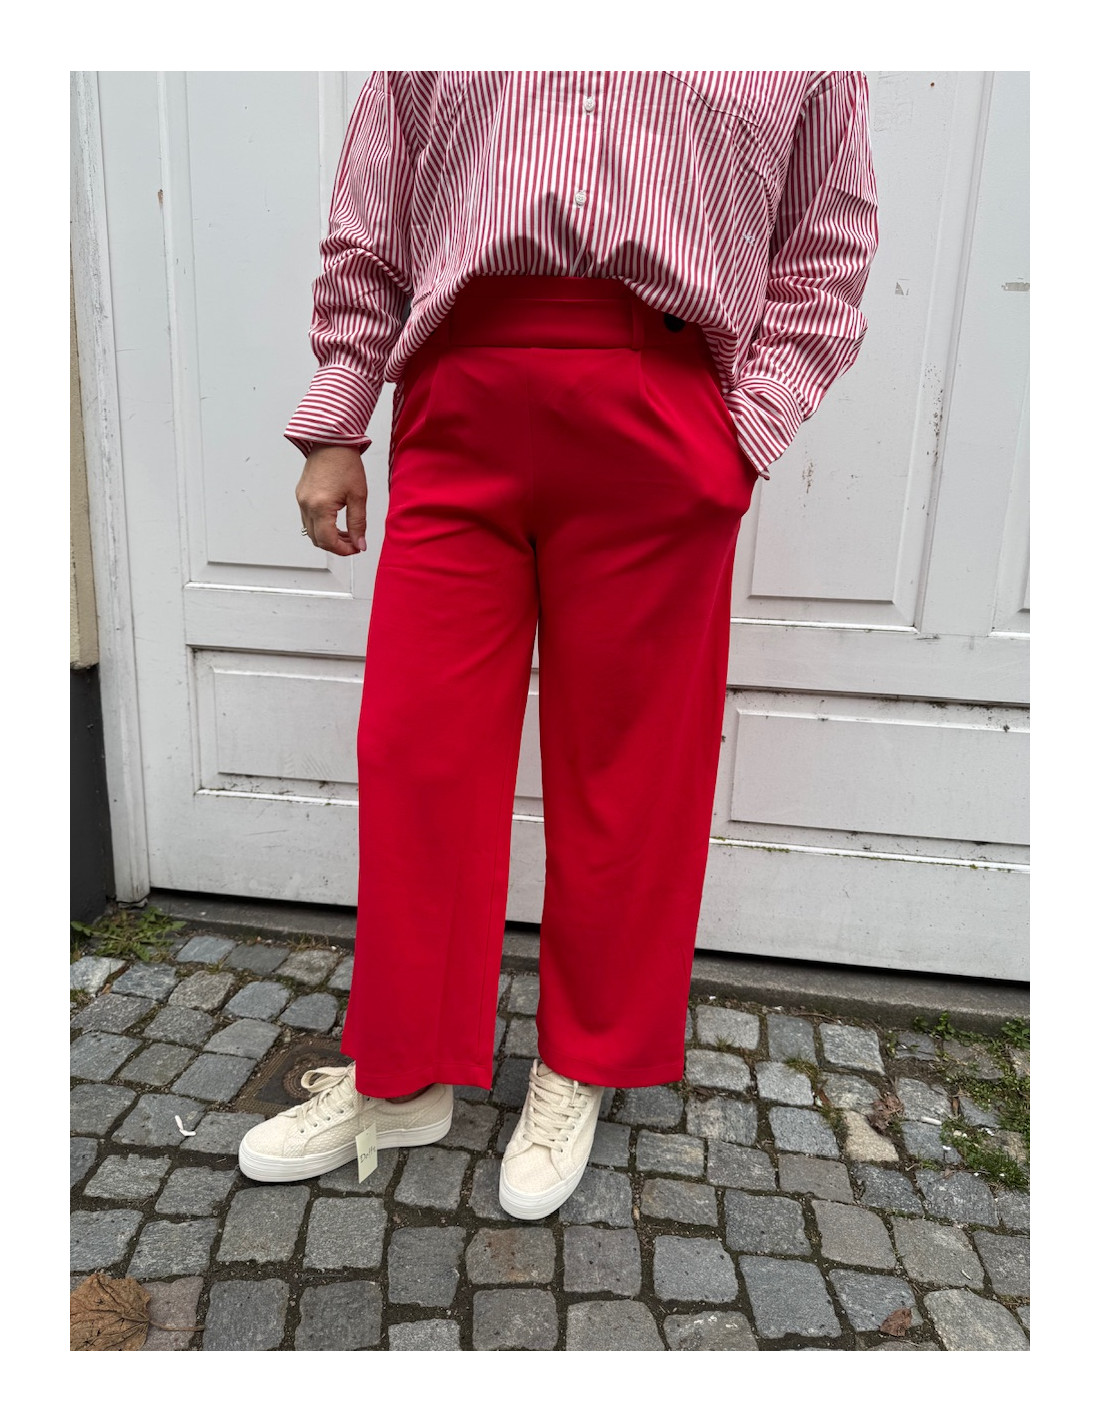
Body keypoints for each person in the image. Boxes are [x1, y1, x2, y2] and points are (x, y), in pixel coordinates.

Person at [238, 70, 879, 1219]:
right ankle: (403, 1074)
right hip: (460, 392)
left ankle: (580, 1060)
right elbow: (375, 217)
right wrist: (339, 414)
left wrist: (742, 432)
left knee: (628, 772)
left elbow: (824, 245)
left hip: (658, 408)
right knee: (417, 749)